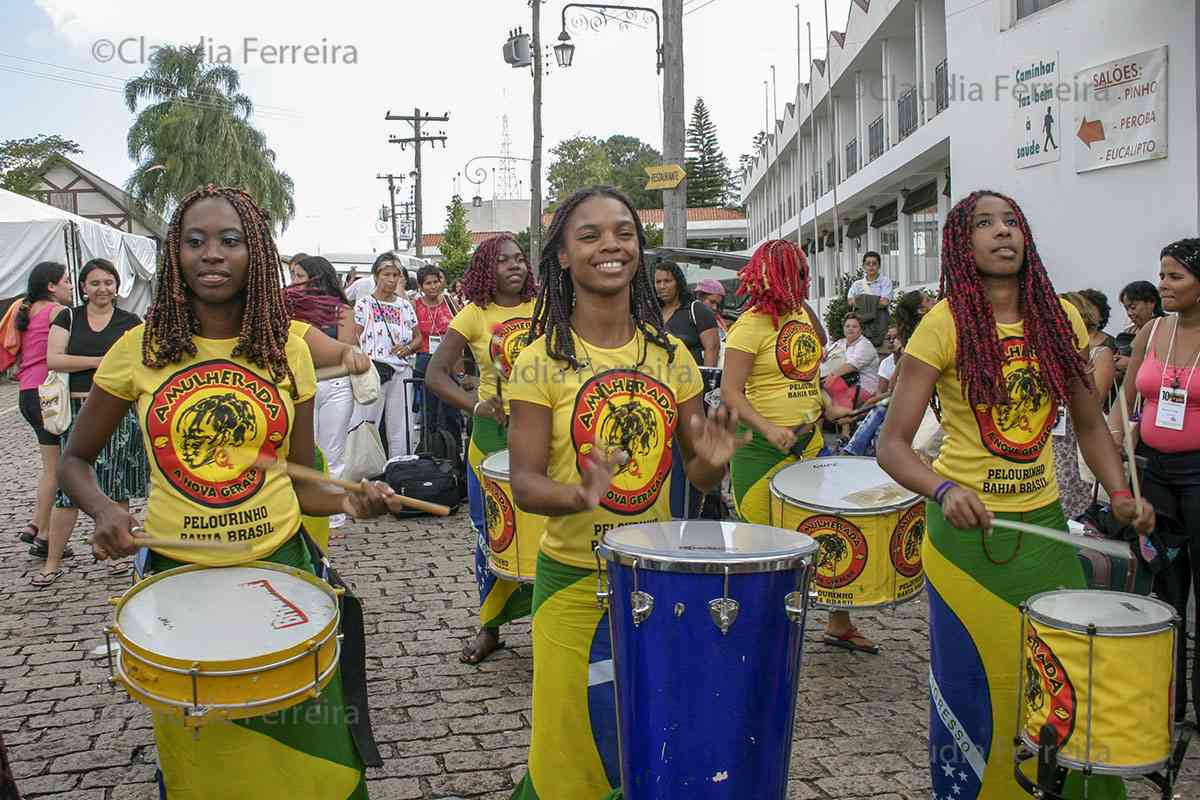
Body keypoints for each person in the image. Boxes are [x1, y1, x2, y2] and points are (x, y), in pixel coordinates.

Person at [59, 184, 394, 799]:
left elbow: (302, 482)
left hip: (281, 572)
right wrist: (104, 510)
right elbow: (74, 459)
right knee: (208, 766)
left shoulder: (287, 349)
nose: (211, 253)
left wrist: (352, 499)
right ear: (175, 255)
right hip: (177, 579)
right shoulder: (139, 349)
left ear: (255, 254)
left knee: (312, 763)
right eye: (195, 241)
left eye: (230, 240)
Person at [877, 190, 1153, 800]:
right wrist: (942, 488)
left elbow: (1088, 423)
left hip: (1044, 532)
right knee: (981, 686)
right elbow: (892, 445)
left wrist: (1118, 492)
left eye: (1011, 221)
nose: (1002, 232)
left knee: (1068, 684)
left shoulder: (1061, 318)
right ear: (962, 243)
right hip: (965, 543)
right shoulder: (942, 325)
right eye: (985, 223)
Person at [505, 186, 742, 800]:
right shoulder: (539, 361)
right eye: (590, 235)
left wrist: (713, 464)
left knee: (644, 740)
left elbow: (697, 478)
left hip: (653, 584)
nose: (610, 245)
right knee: (568, 753)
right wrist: (579, 495)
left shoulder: (673, 357)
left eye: (624, 232)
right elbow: (525, 482)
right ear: (562, 256)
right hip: (572, 584)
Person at [721, 241, 879, 652]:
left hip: (808, 445)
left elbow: (810, 377)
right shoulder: (747, 327)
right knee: (763, 545)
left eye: (800, 273)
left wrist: (829, 404)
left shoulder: (803, 317)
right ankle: (758, 634)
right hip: (760, 452)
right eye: (790, 273)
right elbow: (731, 392)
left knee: (826, 532)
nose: (797, 281)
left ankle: (839, 623)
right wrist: (769, 428)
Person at [425, 235, 536, 664]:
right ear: (488, 268)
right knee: (493, 534)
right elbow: (436, 374)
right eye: (505, 260)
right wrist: (475, 405)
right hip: (492, 440)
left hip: (545, 433)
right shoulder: (473, 314)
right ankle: (489, 628)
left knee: (550, 530)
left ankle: (550, 620)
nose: (516, 265)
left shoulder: (545, 308)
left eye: (520, 258)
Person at [1110, 238, 1200, 726]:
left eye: (1175, 276)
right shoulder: (1153, 331)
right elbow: (1125, 400)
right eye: (1162, 275)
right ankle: (1169, 702)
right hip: (1155, 473)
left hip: (1199, 476)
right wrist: (1113, 447)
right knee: (1165, 586)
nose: (1163, 285)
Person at [38, 259, 145, 585]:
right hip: (77, 410)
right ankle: (52, 562)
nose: (102, 289)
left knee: (118, 485)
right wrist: (103, 361)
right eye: (95, 283)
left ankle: (117, 557)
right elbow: (54, 359)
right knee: (68, 490)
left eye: (108, 282)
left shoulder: (130, 322)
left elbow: (140, 363)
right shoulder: (68, 317)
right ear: (83, 287)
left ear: (117, 286)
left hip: (120, 413)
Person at [289, 256, 357, 528]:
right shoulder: (290, 310)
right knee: (306, 452)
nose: (293, 281)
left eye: (299, 276)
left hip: (336, 386)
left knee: (332, 452)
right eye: (293, 275)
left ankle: (335, 519)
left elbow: (346, 349)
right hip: (302, 387)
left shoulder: (342, 310)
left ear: (316, 278)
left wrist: (315, 345)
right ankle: (306, 516)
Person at [14, 262, 74, 558]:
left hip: (26, 392)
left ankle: (38, 527)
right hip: (49, 394)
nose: (70, 286)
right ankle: (44, 531)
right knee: (63, 467)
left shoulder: (25, 311)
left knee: (51, 467)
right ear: (51, 286)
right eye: (66, 280)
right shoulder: (57, 312)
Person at [353, 253, 422, 456]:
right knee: (366, 423)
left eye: (396, 275)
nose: (391, 280)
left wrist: (408, 348)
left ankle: (399, 466)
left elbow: (419, 338)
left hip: (401, 372)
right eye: (386, 274)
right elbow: (353, 339)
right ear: (376, 276)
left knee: (400, 425)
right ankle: (366, 466)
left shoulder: (405, 306)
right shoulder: (363, 304)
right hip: (372, 372)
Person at [412, 264, 462, 449]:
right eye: (428, 283)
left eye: (435, 282)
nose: (433, 286)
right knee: (428, 410)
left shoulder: (450, 302)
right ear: (420, 286)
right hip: (425, 359)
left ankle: (454, 450)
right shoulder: (414, 304)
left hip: (449, 360)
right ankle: (429, 450)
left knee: (452, 408)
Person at [654, 260, 720, 367]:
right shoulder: (652, 312)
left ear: (678, 283)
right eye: (658, 282)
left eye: (667, 281)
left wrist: (706, 376)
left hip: (687, 375)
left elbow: (712, 348)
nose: (662, 286)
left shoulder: (696, 310)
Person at [821, 312, 880, 411]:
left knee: (829, 396)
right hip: (843, 382)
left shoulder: (865, 345)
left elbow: (851, 366)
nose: (850, 329)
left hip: (863, 386)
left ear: (861, 330)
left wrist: (830, 376)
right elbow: (826, 356)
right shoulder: (840, 343)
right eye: (847, 326)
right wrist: (823, 354)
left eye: (854, 326)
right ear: (843, 328)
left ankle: (843, 418)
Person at [1115, 279, 1164, 376]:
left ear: (1151, 302)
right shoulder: (1128, 332)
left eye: (1133, 307)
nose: (1129, 313)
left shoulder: (1168, 328)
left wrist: (1131, 364)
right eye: (1126, 309)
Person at [847, 250, 893, 346]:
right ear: (864, 266)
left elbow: (884, 302)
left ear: (879, 266)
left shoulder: (885, 282)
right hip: (861, 325)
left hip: (880, 324)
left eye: (874, 263)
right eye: (868, 263)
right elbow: (850, 302)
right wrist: (876, 300)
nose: (871, 266)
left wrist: (860, 299)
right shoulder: (857, 284)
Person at [877, 324, 900, 394]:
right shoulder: (885, 362)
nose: (891, 340)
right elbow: (881, 391)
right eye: (888, 337)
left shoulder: (912, 361)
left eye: (895, 337)